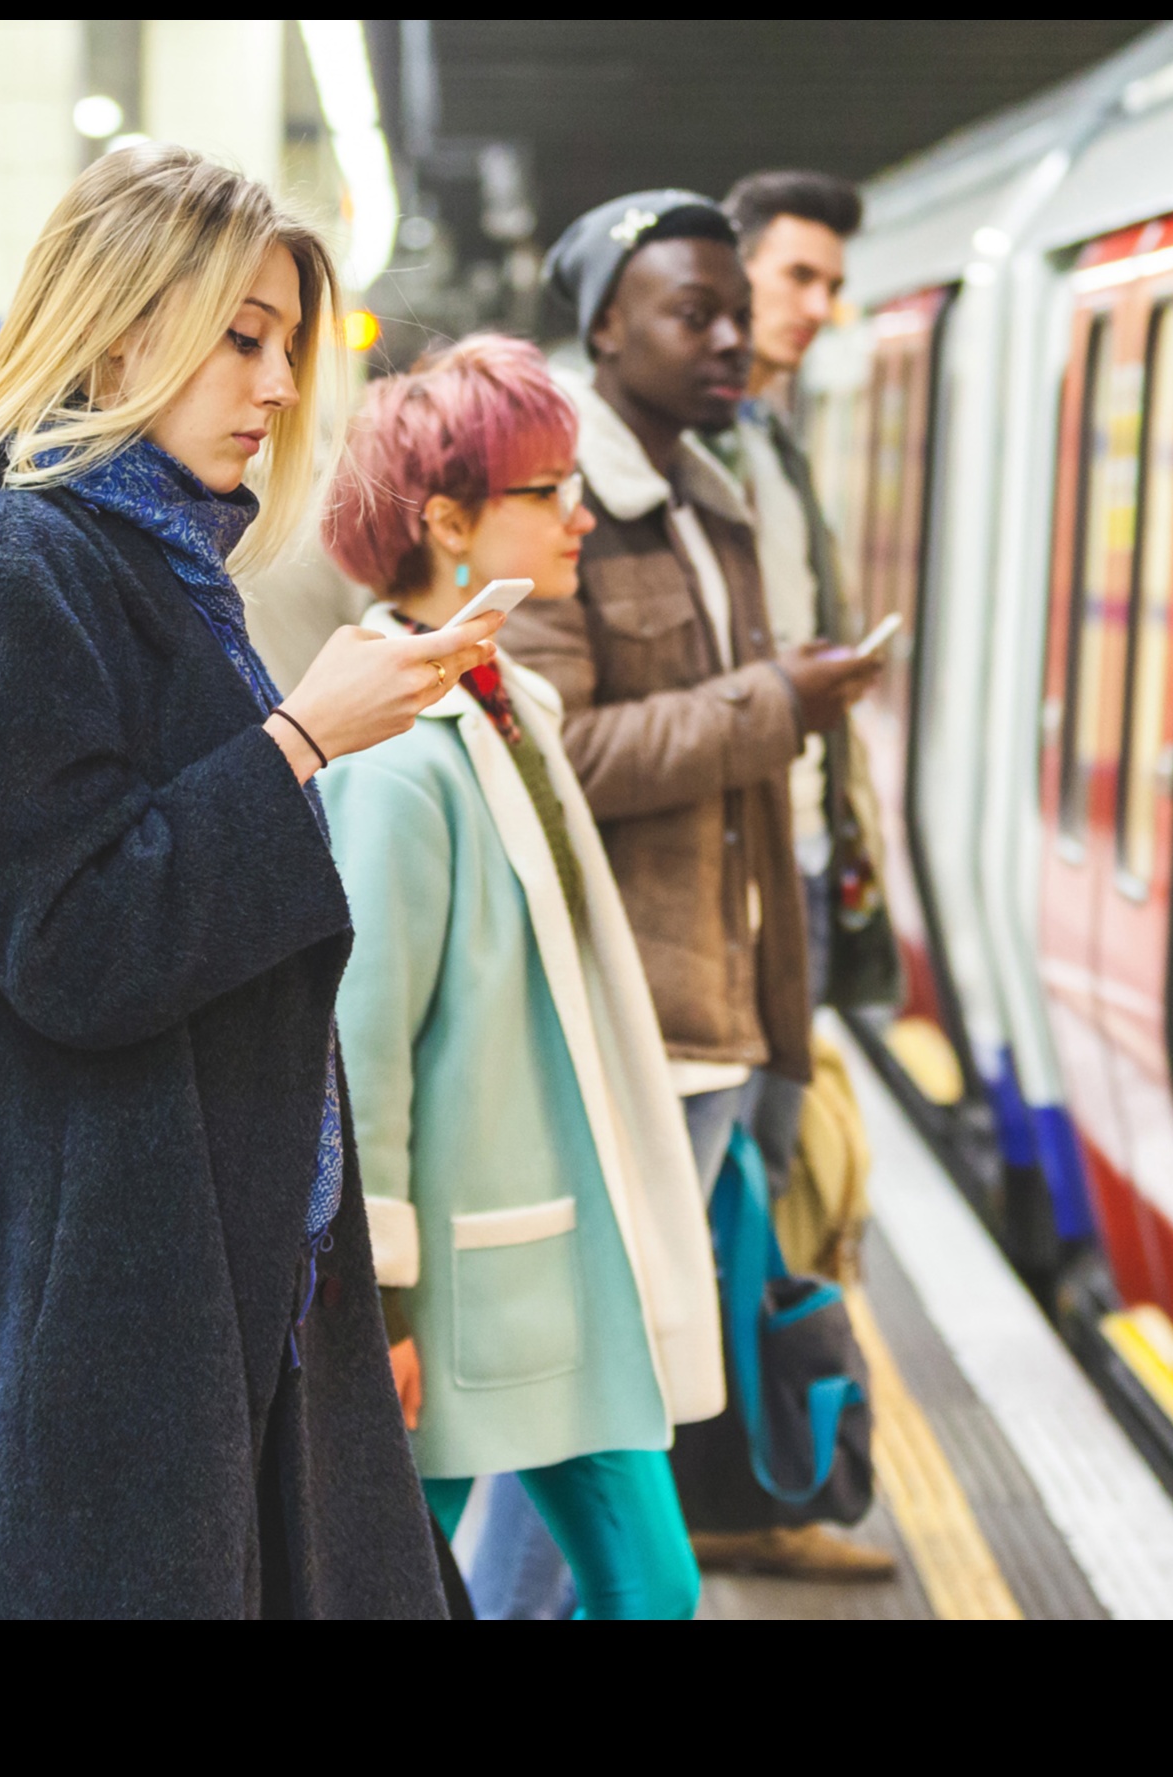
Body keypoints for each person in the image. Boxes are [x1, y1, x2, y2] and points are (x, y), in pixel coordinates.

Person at [0, 143, 501, 1618]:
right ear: (119, 332)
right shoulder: (15, 575)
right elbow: (74, 944)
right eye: (240, 337)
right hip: (89, 1315)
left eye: (287, 344)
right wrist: (301, 739)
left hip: (196, 1278)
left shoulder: (155, 568)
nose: (279, 386)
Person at [506, 189, 892, 1581]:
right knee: (589, 1396)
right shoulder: (563, 507)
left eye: (738, 313)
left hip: (716, 1007)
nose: (732, 340)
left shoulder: (709, 500)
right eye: (695, 314)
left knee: (623, 1390)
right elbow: (557, 750)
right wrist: (773, 703)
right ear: (607, 326)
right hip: (632, 1020)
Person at [318, 334, 725, 1620]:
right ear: (447, 523)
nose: (579, 515)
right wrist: (379, 1300)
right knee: (401, 1585)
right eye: (547, 491)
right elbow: (363, 1045)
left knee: (647, 1584)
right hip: (457, 1287)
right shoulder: (397, 761)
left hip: (550, 1260)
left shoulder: (504, 699)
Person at [719, 170, 902, 1027]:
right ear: (732, 271)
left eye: (832, 285)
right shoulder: (687, 449)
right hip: (740, 855)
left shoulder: (773, 442)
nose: (821, 307)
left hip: (807, 836)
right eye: (798, 276)